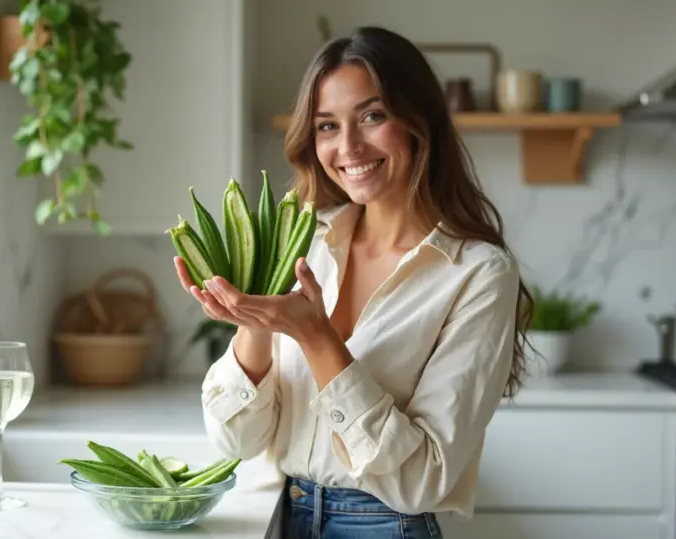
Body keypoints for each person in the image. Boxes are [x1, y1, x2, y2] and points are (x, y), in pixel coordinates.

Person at [173, 25, 533, 539]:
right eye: (326, 126)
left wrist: (317, 337)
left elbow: (422, 478)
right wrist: (254, 322)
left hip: (384, 526)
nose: (348, 146)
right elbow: (237, 442)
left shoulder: (477, 272)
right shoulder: (307, 242)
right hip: (283, 516)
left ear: (418, 120)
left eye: (372, 116)